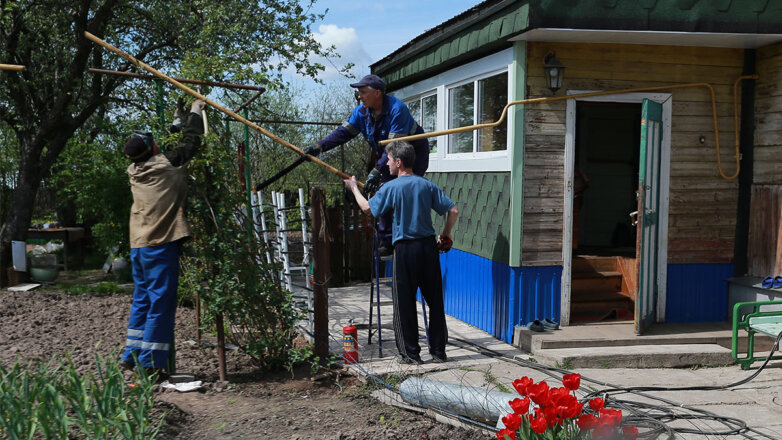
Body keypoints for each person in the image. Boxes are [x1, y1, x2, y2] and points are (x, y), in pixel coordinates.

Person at [343, 140, 458, 364]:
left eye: (388, 160)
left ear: (399, 161)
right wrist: (446, 233)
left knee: (404, 303)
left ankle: (410, 355)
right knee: (435, 302)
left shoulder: (391, 187)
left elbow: (367, 208)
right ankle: (438, 352)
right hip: (428, 247)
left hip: (405, 249)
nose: (386, 164)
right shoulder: (427, 185)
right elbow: (452, 210)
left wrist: (354, 188)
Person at [120, 98, 207, 376]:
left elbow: (168, 149)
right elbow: (190, 143)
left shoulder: (136, 168)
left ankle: (131, 354)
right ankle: (151, 364)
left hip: (139, 245)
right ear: (152, 149)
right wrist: (196, 112)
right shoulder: (165, 164)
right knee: (161, 303)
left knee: (143, 299)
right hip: (159, 244)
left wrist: (177, 118)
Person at [305, 74, 430, 256]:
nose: (359, 96)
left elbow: (393, 145)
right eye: (358, 93)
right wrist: (319, 147)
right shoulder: (361, 112)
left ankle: (405, 236)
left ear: (377, 93)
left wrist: (377, 170)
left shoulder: (397, 109)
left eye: (363, 92)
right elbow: (343, 133)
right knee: (384, 190)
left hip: (413, 153)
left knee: (401, 189)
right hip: (388, 154)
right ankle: (389, 241)